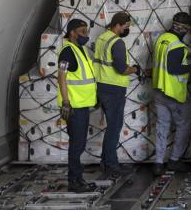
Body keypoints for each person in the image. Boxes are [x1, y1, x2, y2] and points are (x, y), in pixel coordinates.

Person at [93, 12, 140, 177]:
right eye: (126, 26)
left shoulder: (101, 38)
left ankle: (106, 161)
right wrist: (135, 69)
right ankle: (111, 165)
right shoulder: (117, 42)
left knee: (111, 126)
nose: (126, 30)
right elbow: (121, 69)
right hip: (114, 89)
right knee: (114, 127)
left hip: (101, 87)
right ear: (118, 24)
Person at [151, 12, 191, 176]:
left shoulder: (162, 39)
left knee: (162, 126)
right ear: (184, 29)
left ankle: (158, 163)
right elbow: (173, 68)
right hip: (173, 93)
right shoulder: (178, 46)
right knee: (184, 123)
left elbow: (167, 59)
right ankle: (175, 160)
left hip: (158, 90)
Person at [57, 19, 97, 192]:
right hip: (73, 107)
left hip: (82, 104)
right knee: (77, 144)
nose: (85, 35)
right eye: (82, 31)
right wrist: (66, 102)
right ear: (72, 32)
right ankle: (74, 181)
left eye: (86, 31)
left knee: (79, 143)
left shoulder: (80, 49)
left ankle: (78, 179)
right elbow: (61, 77)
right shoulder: (67, 52)